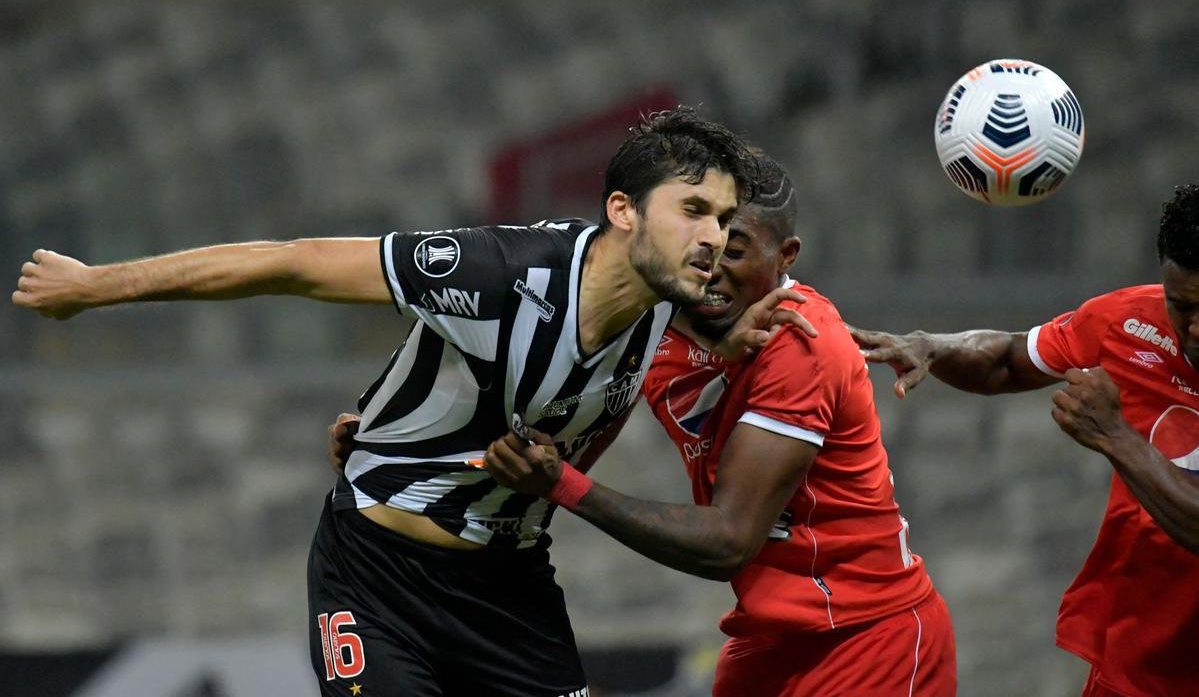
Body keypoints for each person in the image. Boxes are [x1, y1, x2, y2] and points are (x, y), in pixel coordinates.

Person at [12, 107, 813, 697]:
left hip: (509, 585)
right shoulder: (496, 274)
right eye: (693, 211)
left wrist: (840, 336)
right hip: (378, 575)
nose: (712, 237)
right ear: (622, 211)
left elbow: (766, 308)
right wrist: (93, 286)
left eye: (721, 219)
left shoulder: (675, 302)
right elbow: (292, 263)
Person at [400, 154, 956, 696]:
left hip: (866, 635)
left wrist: (562, 484)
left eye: (734, 250)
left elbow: (728, 541)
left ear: (785, 256)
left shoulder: (800, 340)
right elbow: (562, 423)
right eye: (702, 244)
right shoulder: (655, 321)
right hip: (768, 638)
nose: (711, 265)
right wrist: (398, 432)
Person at [849, 184, 1199, 697]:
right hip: (1138, 663)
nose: (1195, 329)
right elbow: (1009, 360)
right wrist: (932, 346)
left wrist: (1115, 437)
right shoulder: (1129, 322)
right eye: (1181, 305)